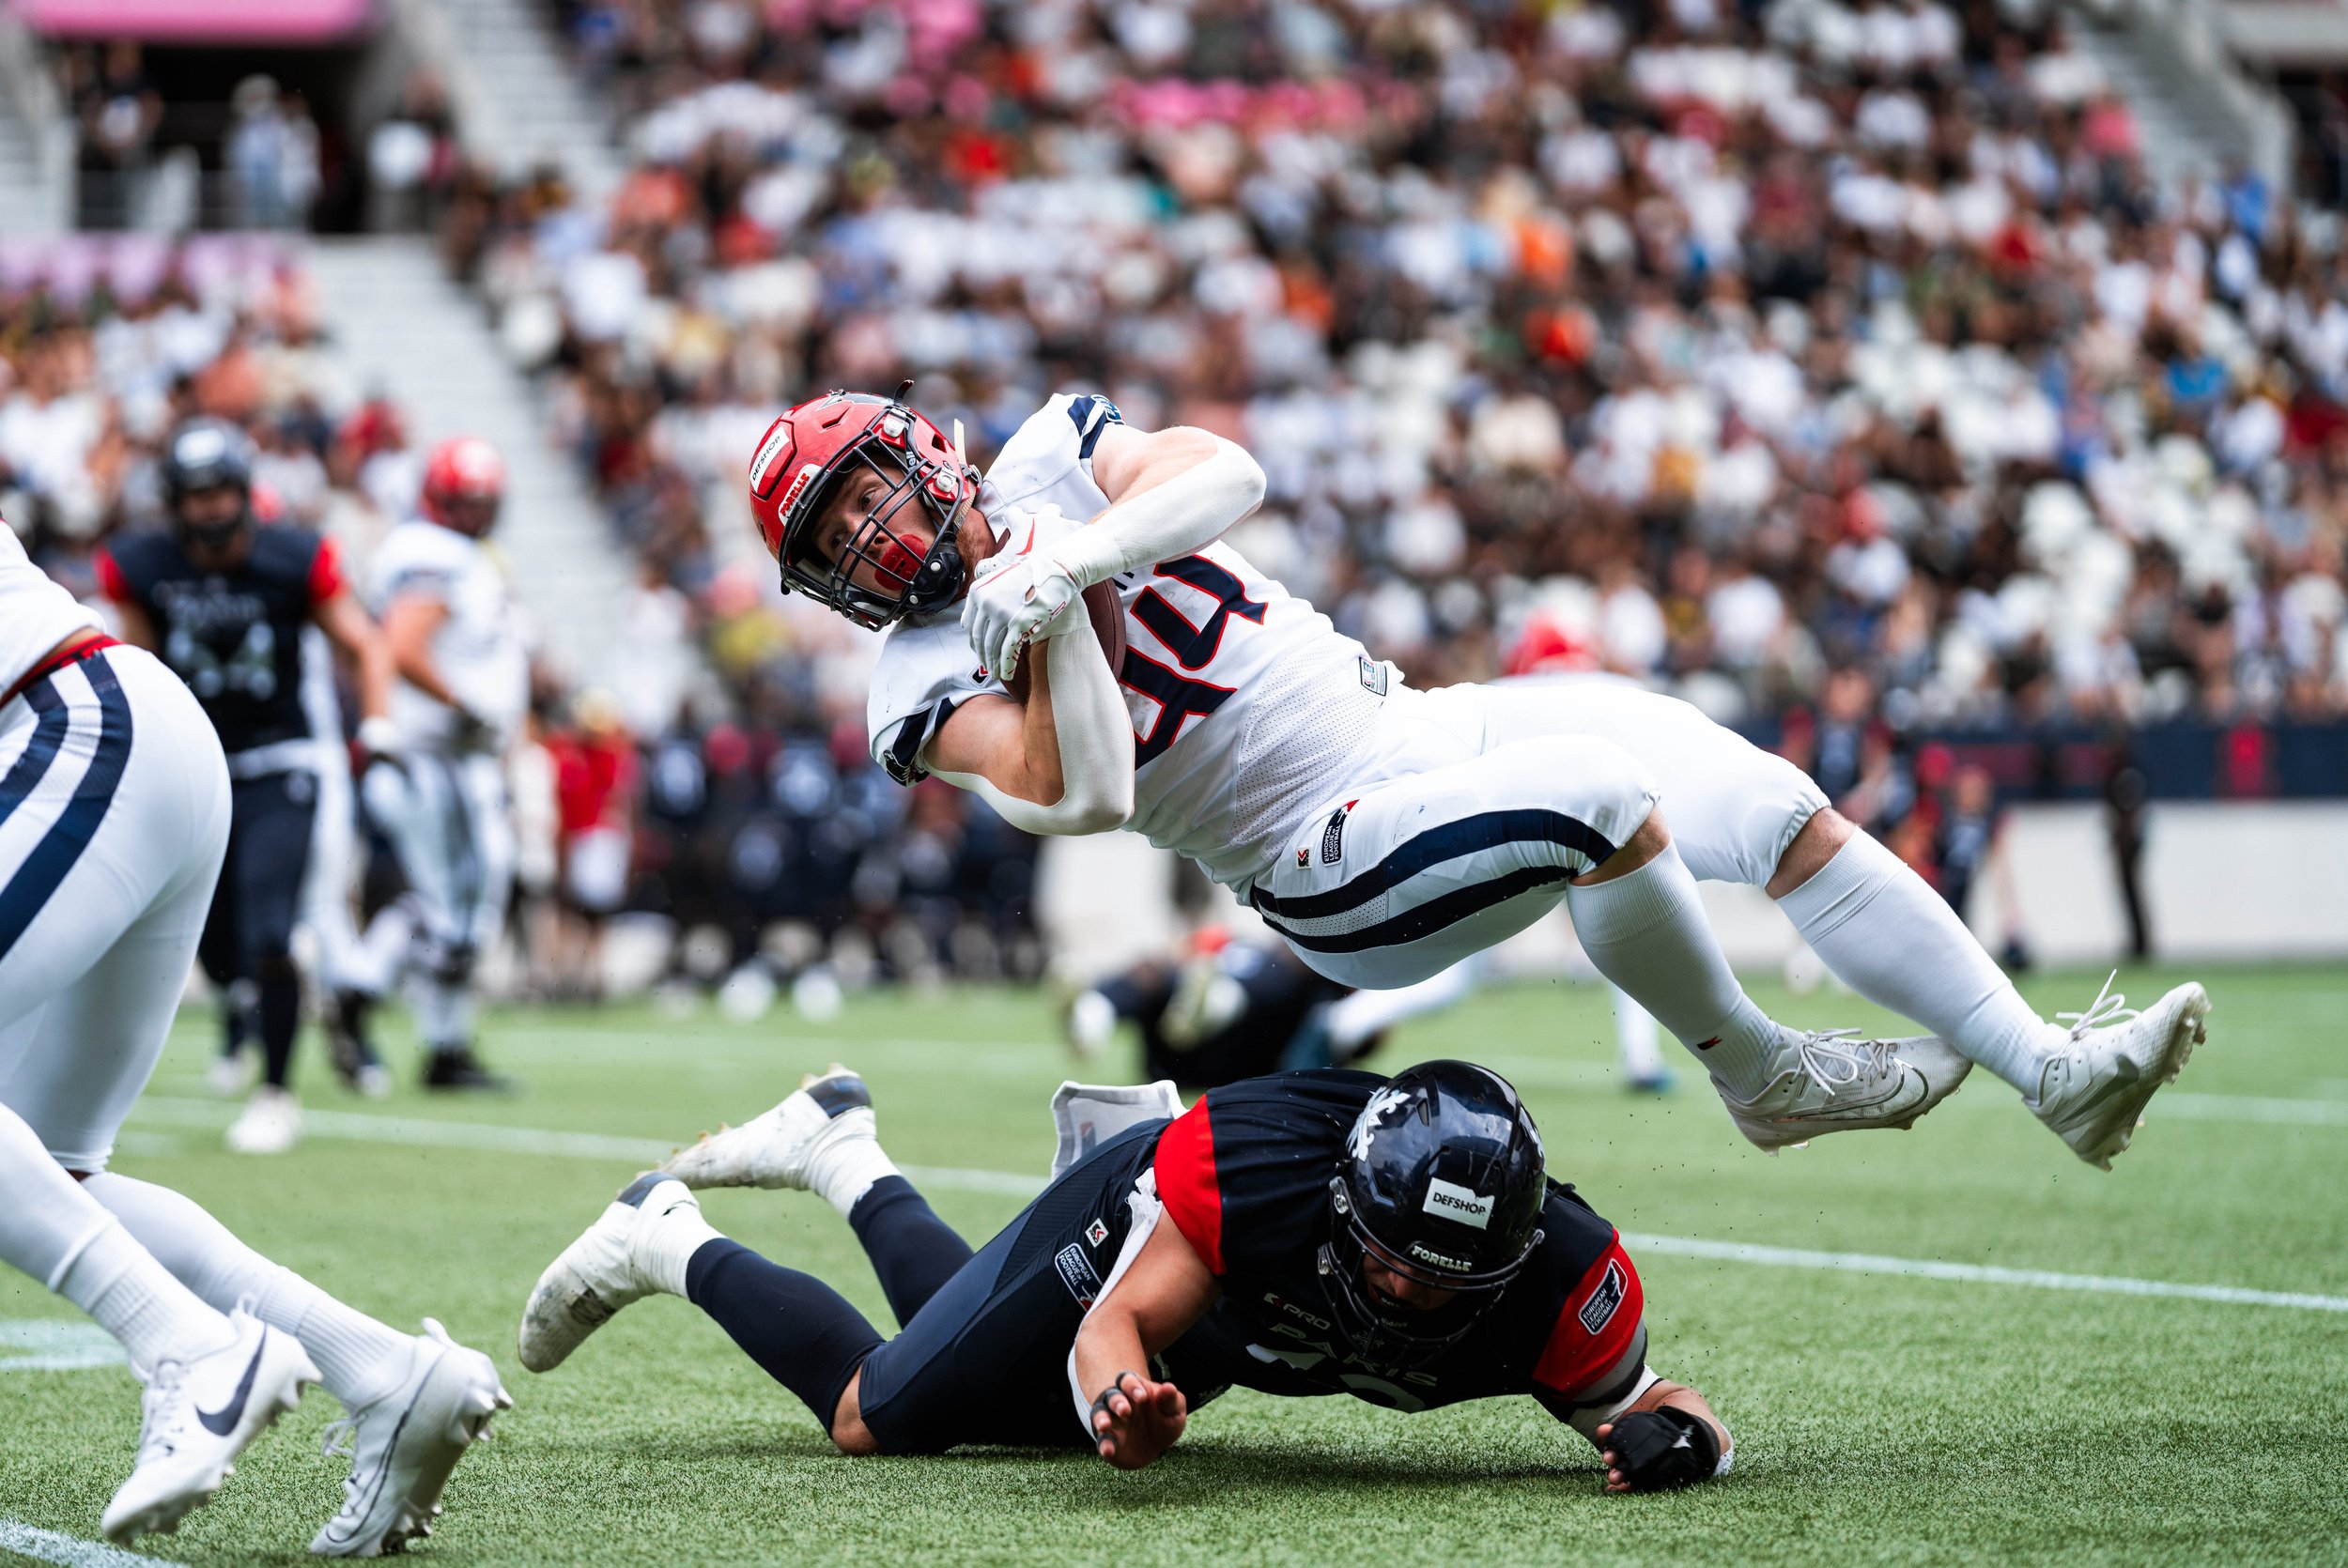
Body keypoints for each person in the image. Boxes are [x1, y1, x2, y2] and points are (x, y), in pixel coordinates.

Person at [743, 388, 2209, 1169]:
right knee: (1593, 794)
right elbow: (1093, 792)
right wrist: (1051, 614)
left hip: (1422, 724)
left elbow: (1227, 476)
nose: (872, 537)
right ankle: (1759, 1070)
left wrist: (1071, 553)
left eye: (866, 492)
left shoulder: (1054, 455)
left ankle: (2052, 1073)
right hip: (1320, 855)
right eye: (835, 540)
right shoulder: (913, 684)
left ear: (918, 442)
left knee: (1764, 801)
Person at [0, 523, 508, 1549]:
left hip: (70, 725)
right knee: (53, 1172)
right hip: (115, 728)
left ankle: (188, 1346)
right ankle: (384, 1371)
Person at [520, 1062, 1732, 1490]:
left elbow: (1671, 1411)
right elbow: (1110, 1330)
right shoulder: (1256, 1176)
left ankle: (840, 1147)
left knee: (982, 1378)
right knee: (876, 1413)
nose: (1408, 1298)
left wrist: (1687, 1449)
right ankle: (663, 1233)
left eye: (1443, 1282)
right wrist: (1117, 1402)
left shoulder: (1563, 1280)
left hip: (1244, 1327)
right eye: (1384, 1257)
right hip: (1153, 1232)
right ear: (1342, 1198)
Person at [98, 419, 398, 1153]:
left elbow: (362, 641)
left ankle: (277, 1091)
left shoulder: (295, 556)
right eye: (195, 495)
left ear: (244, 492)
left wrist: (379, 726)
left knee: (272, 929)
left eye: (220, 491)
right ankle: (241, 1012)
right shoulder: (141, 564)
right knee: (211, 937)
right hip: (193, 765)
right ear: (174, 500)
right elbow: (137, 664)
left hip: (280, 762)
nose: (208, 509)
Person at [355, 435, 529, 1090]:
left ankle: (429, 1032)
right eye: (466, 502)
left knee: (464, 904)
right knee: (453, 908)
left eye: (484, 503)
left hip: (457, 758)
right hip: (436, 755)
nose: (476, 515)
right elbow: (401, 644)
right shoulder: (431, 553)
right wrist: (466, 704)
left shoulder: (459, 553)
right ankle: (372, 995)